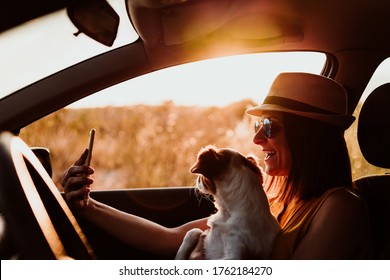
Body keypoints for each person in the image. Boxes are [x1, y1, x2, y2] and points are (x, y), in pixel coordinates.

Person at [62, 72, 372, 259]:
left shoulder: (340, 208)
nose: (257, 140)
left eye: (268, 126)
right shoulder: (274, 195)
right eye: (257, 127)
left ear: (308, 137)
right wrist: (87, 206)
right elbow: (168, 238)